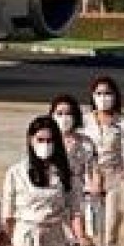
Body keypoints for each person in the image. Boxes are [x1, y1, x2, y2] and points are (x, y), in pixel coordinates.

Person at [2, 116, 90, 246]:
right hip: (25, 235)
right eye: (40, 140)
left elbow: (75, 209)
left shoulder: (65, 173)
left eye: (50, 140)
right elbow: (8, 215)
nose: (45, 145)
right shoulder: (16, 172)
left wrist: (81, 236)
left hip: (54, 235)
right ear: (30, 140)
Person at [83, 75, 124, 246]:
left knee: (110, 232)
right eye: (99, 93)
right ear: (93, 96)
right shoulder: (84, 121)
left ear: (115, 96)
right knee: (91, 230)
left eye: (107, 93)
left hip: (115, 180)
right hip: (90, 180)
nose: (103, 97)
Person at [49, 93, 99, 238]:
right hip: (52, 190)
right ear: (52, 115)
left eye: (68, 113)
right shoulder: (45, 140)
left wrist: (95, 186)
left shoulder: (85, 142)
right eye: (59, 113)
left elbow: (94, 168)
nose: (64, 118)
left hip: (77, 191)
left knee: (78, 230)